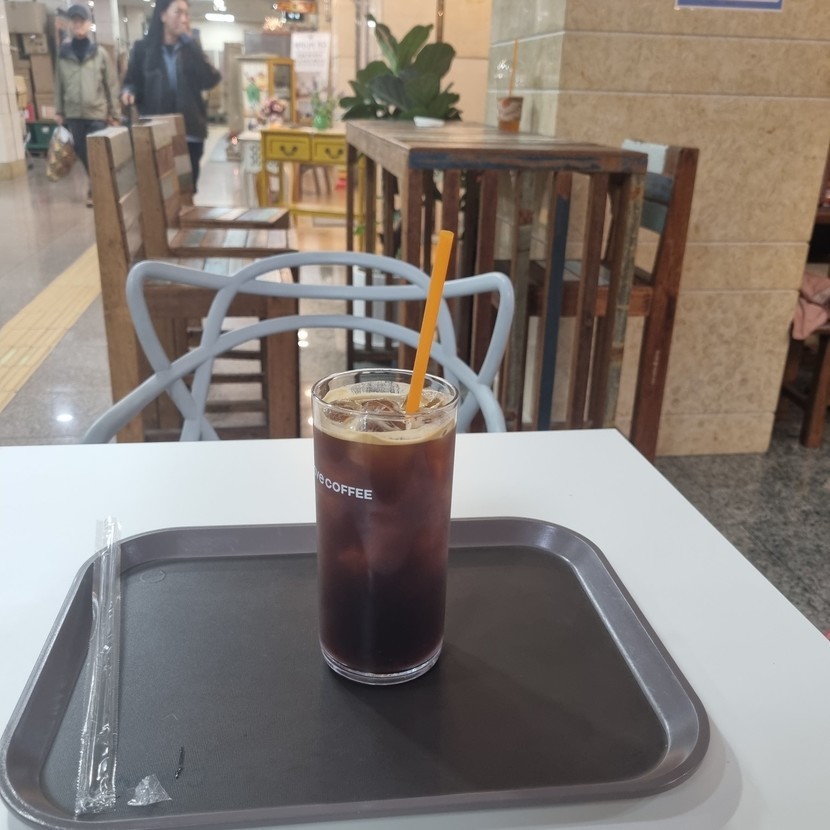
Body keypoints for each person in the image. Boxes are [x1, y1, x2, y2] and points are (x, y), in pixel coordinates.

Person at [120, 0, 220, 190]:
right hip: (156, 133)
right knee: (159, 191)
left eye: (186, 14)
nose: (184, 19)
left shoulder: (191, 49)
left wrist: (192, 44)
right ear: (163, 15)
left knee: (186, 190)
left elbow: (211, 79)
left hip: (190, 133)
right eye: (178, 12)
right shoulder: (143, 49)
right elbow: (132, 81)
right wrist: (129, 91)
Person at [54, 4, 121, 207]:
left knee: (97, 155)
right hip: (74, 115)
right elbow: (59, 84)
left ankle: (97, 189)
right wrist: (59, 110)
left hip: (97, 114)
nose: (78, 24)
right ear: (69, 24)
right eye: (74, 21)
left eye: (81, 21)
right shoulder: (63, 54)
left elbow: (111, 85)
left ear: (89, 24)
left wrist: (115, 114)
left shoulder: (99, 53)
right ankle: (97, 184)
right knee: (83, 155)